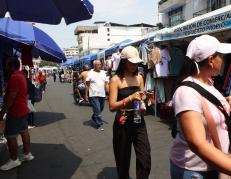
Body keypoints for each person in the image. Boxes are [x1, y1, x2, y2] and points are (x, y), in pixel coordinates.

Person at [170, 35, 231, 179]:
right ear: (211, 60)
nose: (223, 60)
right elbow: (197, 144)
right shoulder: (186, 92)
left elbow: (207, 107)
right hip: (196, 172)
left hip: (214, 166)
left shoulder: (208, 83)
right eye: (221, 56)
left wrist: (225, 103)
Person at [109, 46, 151, 179]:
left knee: (145, 157)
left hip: (138, 117)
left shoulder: (139, 77)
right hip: (123, 118)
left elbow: (141, 96)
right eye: (131, 63)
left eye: (136, 63)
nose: (134, 65)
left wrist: (146, 97)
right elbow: (111, 106)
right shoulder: (116, 79)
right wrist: (129, 98)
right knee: (123, 159)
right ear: (124, 62)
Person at [0, 57, 34, 171]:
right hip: (23, 110)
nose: (5, 67)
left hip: (16, 111)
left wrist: (3, 111)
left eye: (7, 65)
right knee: (24, 132)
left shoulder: (15, 77)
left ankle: (14, 160)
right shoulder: (21, 76)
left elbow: (11, 97)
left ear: (11, 66)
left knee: (10, 136)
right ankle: (27, 154)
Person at [85, 60, 109, 131]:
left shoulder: (104, 73)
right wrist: (86, 95)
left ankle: (94, 117)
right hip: (93, 95)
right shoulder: (90, 73)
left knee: (100, 109)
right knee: (97, 110)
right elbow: (87, 85)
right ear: (94, 66)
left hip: (102, 94)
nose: (100, 66)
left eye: (100, 64)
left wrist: (108, 93)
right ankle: (99, 125)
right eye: (98, 64)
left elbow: (106, 84)